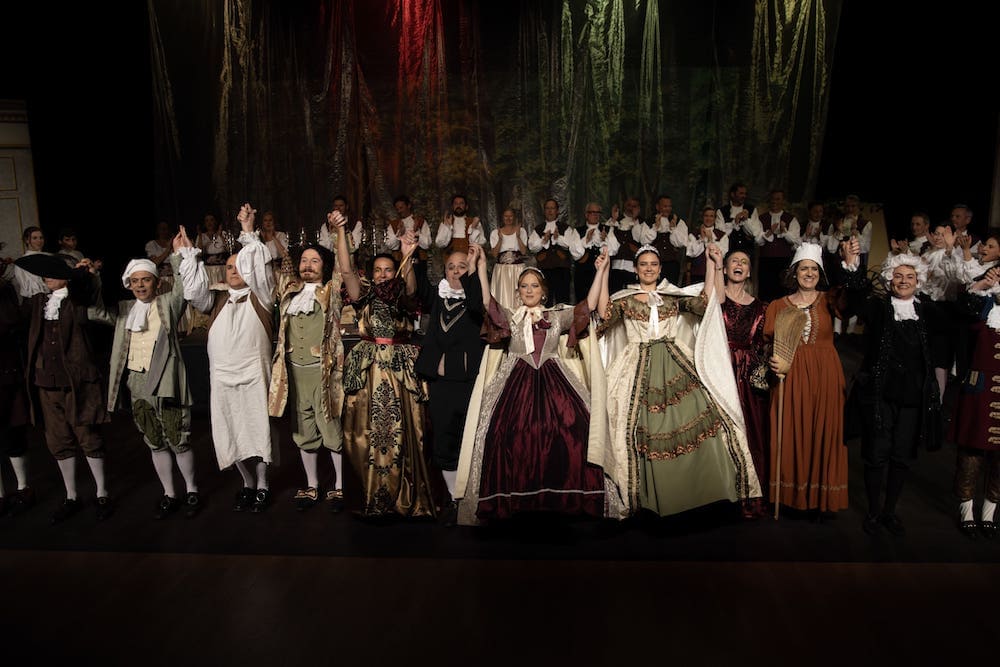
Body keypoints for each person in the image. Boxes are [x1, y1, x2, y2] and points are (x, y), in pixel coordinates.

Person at [598, 243, 760, 518]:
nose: (649, 269)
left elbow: (704, 304)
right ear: (636, 270)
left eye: (653, 264)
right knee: (635, 425)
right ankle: (647, 496)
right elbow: (605, 314)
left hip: (675, 359)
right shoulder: (625, 298)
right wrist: (603, 271)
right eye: (643, 265)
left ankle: (698, 489)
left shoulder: (672, 296)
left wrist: (712, 264)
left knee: (701, 412)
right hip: (636, 362)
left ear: (660, 269)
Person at [456, 253, 611, 525]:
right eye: (524, 286)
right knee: (503, 431)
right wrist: (481, 268)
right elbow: (486, 303)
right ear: (518, 292)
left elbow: (587, 307)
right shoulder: (510, 317)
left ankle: (567, 496)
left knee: (575, 426)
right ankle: (514, 499)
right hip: (515, 380)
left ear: (543, 291)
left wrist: (600, 271)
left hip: (555, 380)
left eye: (534, 286)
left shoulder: (556, 316)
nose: (529, 290)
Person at [333, 213, 441, 518]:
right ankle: (374, 495)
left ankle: (406, 494)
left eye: (388, 269)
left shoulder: (403, 296)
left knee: (405, 431)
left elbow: (410, 287)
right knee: (368, 432)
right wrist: (340, 230)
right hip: (370, 370)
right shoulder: (363, 295)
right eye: (378, 270)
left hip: (399, 369)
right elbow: (345, 269)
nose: (383, 275)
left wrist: (407, 255)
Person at [91, 229, 202, 519]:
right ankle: (169, 493)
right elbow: (95, 312)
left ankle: (191, 490)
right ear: (129, 284)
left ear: (156, 281)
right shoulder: (124, 310)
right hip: (137, 383)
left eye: (146, 279)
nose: (141, 285)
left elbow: (182, 289)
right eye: (136, 281)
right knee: (154, 440)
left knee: (178, 437)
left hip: (166, 380)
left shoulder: (166, 304)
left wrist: (177, 256)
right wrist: (92, 279)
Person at [184, 203, 278, 513]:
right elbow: (193, 292)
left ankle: (262, 484)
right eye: (229, 267)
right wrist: (189, 256)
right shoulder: (217, 299)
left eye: (239, 266)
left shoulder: (262, 296)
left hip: (254, 375)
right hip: (223, 377)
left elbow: (259, 269)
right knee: (230, 430)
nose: (234, 271)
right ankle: (247, 482)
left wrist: (248, 232)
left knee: (258, 430)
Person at [844, 243, 941, 536]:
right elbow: (853, 304)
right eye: (898, 276)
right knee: (876, 454)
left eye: (909, 277)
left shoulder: (927, 311)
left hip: (912, 398)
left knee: (901, 456)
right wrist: (853, 267)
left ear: (918, 281)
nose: (903, 281)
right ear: (890, 278)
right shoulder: (878, 307)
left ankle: (890, 512)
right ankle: (874, 512)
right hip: (880, 396)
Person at [14, 253, 111, 523]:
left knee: (88, 436)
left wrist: (85, 274)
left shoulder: (76, 300)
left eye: (54, 272)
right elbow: (14, 317)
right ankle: (71, 496)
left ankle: (102, 493)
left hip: (77, 382)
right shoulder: (38, 303)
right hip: (46, 383)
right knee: (58, 440)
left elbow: (90, 292)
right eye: (45, 272)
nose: (47, 277)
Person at [764, 242, 848, 516]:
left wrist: (851, 266)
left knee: (822, 431)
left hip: (825, 375)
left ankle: (819, 498)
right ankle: (790, 496)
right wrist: (774, 361)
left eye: (814, 269)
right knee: (790, 430)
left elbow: (853, 299)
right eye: (803, 269)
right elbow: (768, 343)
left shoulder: (830, 300)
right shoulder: (778, 305)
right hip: (790, 374)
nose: (809, 273)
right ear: (794, 273)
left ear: (820, 273)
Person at [268, 230, 346, 512]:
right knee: (303, 432)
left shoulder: (331, 291)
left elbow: (343, 267)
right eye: (304, 260)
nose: (308, 265)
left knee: (332, 430)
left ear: (325, 266)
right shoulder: (289, 292)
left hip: (323, 375)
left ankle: (340, 486)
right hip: (295, 374)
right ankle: (312, 484)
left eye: (314, 261)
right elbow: (283, 267)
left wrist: (339, 232)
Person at [414, 245, 488, 525]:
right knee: (444, 440)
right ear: (444, 272)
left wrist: (474, 268)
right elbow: (417, 289)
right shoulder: (438, 296)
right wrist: (411, 254)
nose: (456, 271)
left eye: (462, 267)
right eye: (451, 267)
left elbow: (477, 304)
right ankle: (453, 497)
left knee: (469, 439)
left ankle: (472, 498)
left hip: (468, 382)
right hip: (440, 383)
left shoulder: (475, 299)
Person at [949, 231, 1000, 539]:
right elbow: (961, 312)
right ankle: (966, 508)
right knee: (972, 449)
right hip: (979, 382)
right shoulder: (980, 297)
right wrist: (982, 285)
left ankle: (990, 511)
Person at [718, 248, 770, 518]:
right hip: (719, 367)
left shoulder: (761, 307)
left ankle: (749, 496)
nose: (739, 265)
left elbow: (763, 344)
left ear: (749, 271)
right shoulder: (716, 299)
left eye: (744, 262)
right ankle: (720, 496)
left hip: (747, 374)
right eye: (734, 261)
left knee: (750, 432)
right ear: (726, 269)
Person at [0, 276, 33, 517]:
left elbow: (12, 320)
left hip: (6, 374)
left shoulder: (5, 292)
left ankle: (23, 488)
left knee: (14, 434)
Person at [527, 198, 583, 305]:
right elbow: (532, 247)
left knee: (562, 300)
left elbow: (570, 244)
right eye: (547, 208)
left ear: (557, 211)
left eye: (552, 208)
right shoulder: (538, 229)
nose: (550, 211)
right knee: (545, 299)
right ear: (544, 211)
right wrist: (544, 240)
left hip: (562, 270)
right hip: (544, 270)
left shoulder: (566, 228)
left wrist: (558, 238)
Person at [753, 190, 800, 301]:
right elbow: (758, 241)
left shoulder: (791, 219)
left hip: (783, 260)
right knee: (765, 290)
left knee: (782, 290)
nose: (775, 202)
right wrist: (769, 232)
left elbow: (795, 241)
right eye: (773, 199)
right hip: (766, 260)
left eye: (778, 199)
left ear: (783, 201)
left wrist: (784, 231)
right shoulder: (762, 218)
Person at [637, 194, 688, 286]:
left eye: (669, 206)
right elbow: (644, 241)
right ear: (657, 207)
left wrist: (673, 229)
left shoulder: (678, 222)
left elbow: (681, 243)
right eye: (665, 206)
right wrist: (655, 227)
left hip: (672, 264)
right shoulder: (649, 222)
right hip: (653, 264)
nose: (668, 209)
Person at [488, 207, 529, 311]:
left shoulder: (521, 231)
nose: (508, 218)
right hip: (502, 270)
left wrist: (518, 236)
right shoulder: (495, 233)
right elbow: (494, 254)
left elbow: (524, 251)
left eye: (510, 216)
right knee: (503, 297)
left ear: (514, 217)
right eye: (506, 216)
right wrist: (500, 239)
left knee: (518, 296)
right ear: (502, 217)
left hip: (518, 268)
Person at [685, 206, 729, 285]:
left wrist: (710, 240)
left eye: (711, 216)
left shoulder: (722, 236)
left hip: (715, 273)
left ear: (715, 218)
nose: (708, 218)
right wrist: (702, 239)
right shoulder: (693, 235)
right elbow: (691, 253)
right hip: (697, 273)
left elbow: (722, 254)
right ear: (702, 217)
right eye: (706, 216)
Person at [715, 182, 757, 255]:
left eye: (745, 194)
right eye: (741, 193)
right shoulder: (722, 211)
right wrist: (734, 222)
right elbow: (720, 233)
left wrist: (746, 221)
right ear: (732, 194)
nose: (744, 196)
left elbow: (755, 232)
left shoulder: (752, 210)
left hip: (747, 252)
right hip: (729, 252)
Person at [260, 209, 292, 296]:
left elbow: (284, 254)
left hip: (279, 270)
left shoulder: (281, 235)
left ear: (274, 222)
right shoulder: (259, 237)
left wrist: (273, 237)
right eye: (265, 220)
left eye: (270, 220)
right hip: (264, 271)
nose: (268, 223)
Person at [146, 221, 176, 294]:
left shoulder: (175, 244)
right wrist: (168, 249)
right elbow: (154, 263)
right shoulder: (151, 245)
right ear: (158, 230)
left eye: (166, 229)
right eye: (162, 229)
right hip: (160, 280)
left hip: (174, 278)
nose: (164, 231)